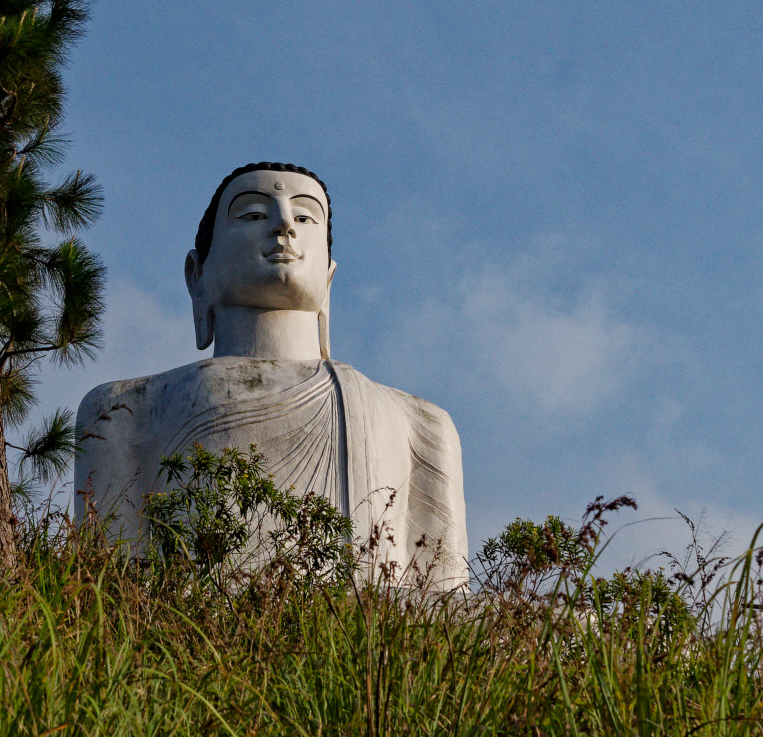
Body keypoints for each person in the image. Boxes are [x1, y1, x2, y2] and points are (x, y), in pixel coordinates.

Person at [74, 162, 468, 588]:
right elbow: (109, 590)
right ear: (197, 275)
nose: (284, 225)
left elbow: (444, 598)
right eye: (254, 215)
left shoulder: (420, 423)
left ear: (329, 278)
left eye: (303, 217)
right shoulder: (125, 409)